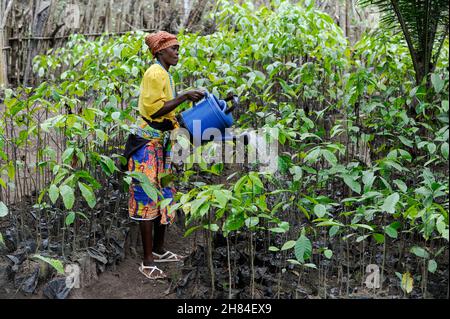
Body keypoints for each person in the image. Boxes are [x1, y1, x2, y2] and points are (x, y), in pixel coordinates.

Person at [124, 31, 204, 279]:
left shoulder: (165, 73)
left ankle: (158, 250)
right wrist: (184, 96)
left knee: (164, 195)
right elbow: (155, 109)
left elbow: (167, 113)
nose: (178, 53)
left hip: (160, 142)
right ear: (160, 51)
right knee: (147, 197)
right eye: (174, 49)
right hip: (145, 145)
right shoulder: (154, 72)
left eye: (178, 49)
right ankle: (147, 261)